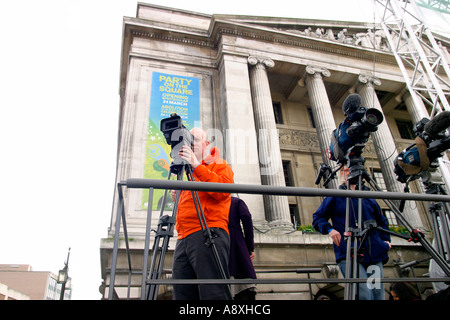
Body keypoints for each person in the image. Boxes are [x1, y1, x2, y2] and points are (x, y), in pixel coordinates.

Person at [170, 127, 234, 300]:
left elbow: (223, 191)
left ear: (206, 144)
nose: (190, 143)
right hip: (184, 237)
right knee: (182, 294)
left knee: (213, 293)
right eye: (188, 139)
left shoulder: (218, 163)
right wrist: (180, 193)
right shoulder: (189, 173)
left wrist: (197, 165)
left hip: (208, 232)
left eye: (195, 140)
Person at [312, 167, 391, 300]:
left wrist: (386, 241)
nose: (349, 173)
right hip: (349, 252)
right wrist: (329, 230)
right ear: (341, 174)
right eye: (346, 170)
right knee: (364, 293)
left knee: (378, 294)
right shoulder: (335, 196)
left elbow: (382, 221)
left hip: (374, 253)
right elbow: (318, 218)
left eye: (351, 170)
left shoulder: (369, 197)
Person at [228, 196, 257, 300]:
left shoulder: (210, 203)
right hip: (237, 246)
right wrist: (249, 247)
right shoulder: (236, 201)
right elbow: (247, 218)